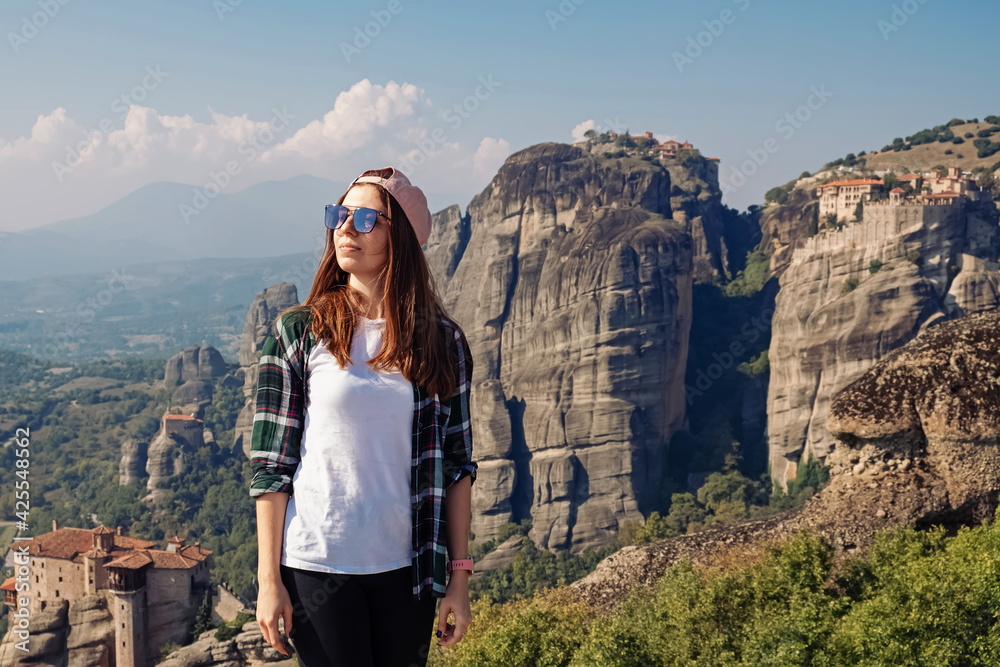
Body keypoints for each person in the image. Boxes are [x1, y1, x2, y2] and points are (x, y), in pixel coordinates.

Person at [248, 166, 478, 666]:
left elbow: (458, 466)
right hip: (315, 564)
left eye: (367, 219)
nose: (346, 228)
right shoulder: (298, 332)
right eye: (339, 214)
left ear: (402, 240)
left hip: (408, 568)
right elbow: (271, 468)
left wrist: (458, 579)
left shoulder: (442, 342)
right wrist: (268, 581)